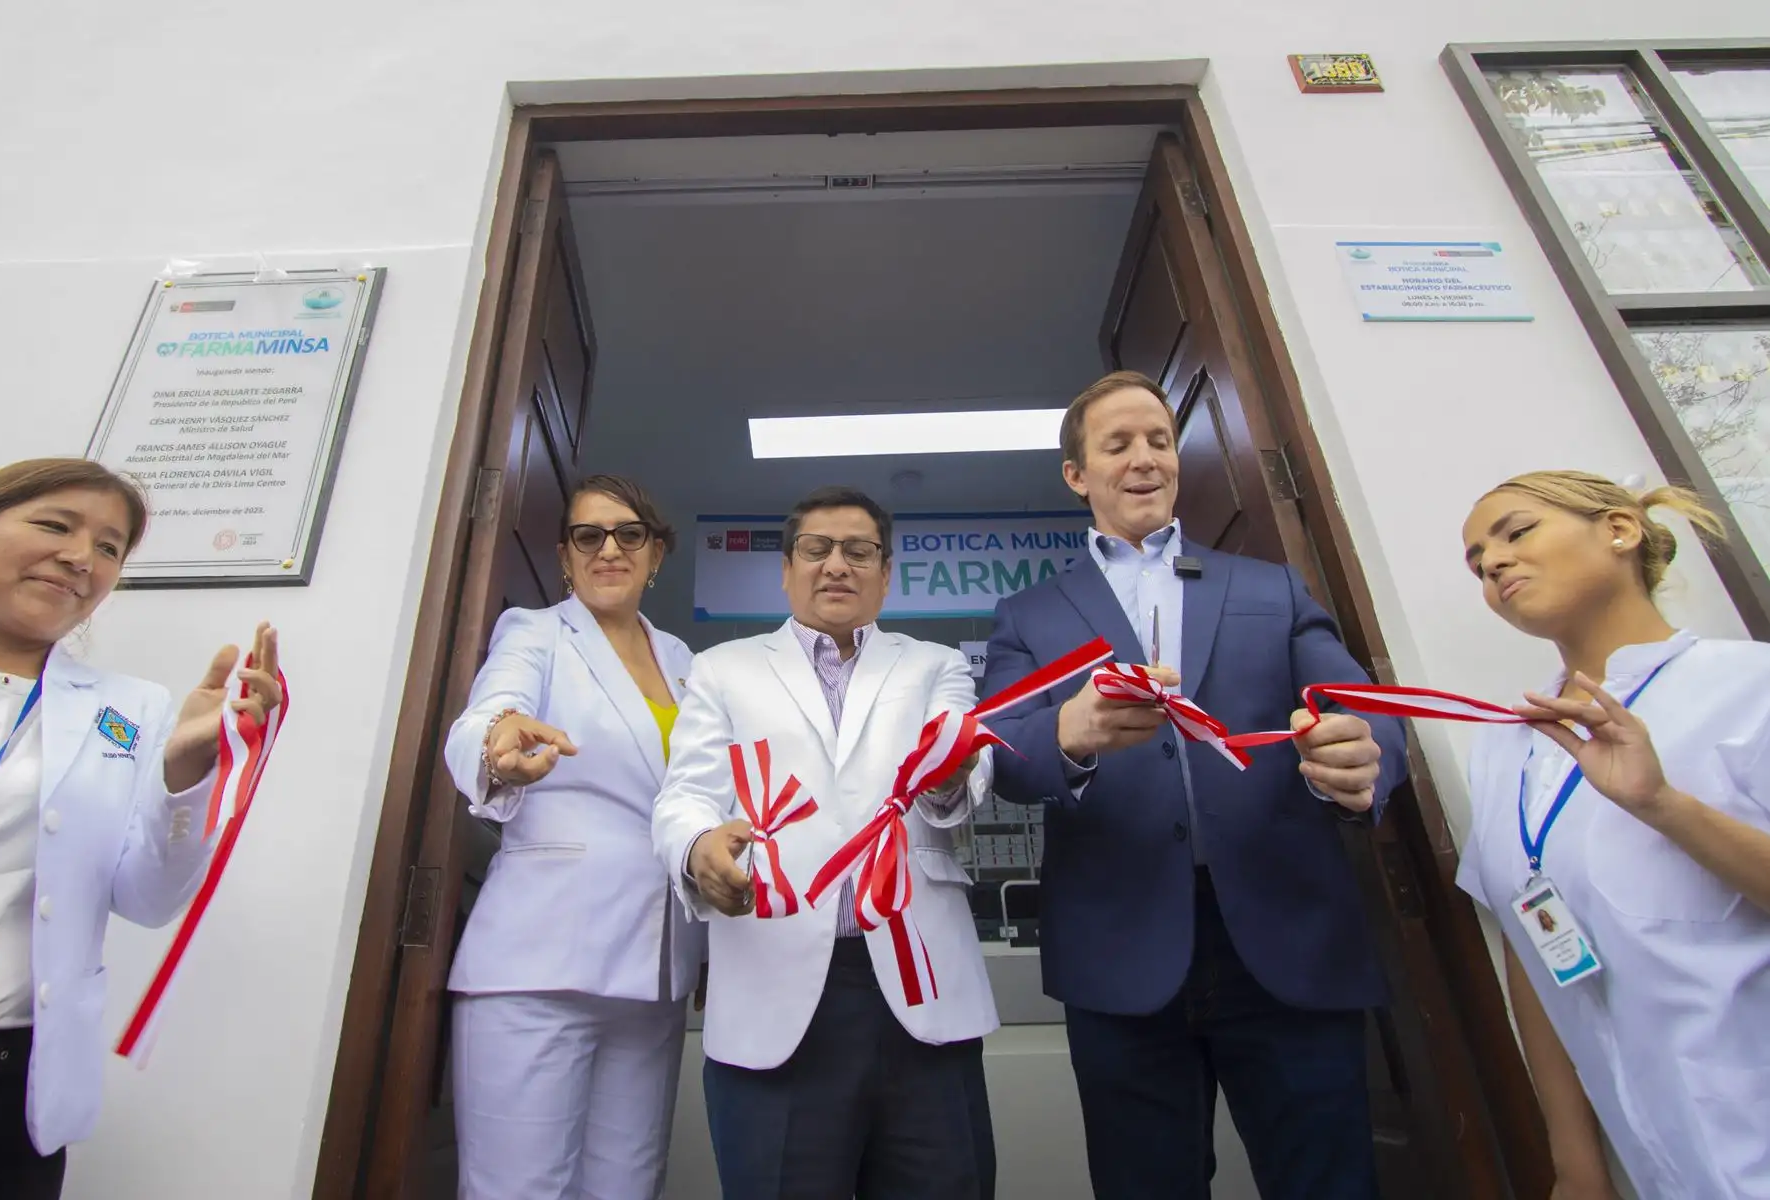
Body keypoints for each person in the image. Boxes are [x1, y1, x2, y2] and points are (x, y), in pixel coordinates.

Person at [979, 371, 1409, 1199]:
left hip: (1285, 941)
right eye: (1119, 444)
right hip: (1119, 954)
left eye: (1160, 441)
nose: (1145, 459)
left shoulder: (1268, 587)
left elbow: (1358, 705)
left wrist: (1365, 754)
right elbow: (1002, 757)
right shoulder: (1028, 616)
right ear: (1077, 475)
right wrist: (1066, 736)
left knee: (1328, 1180)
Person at [652, 486, 997, 1200]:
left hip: (918, 988)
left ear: (886, 572)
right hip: (775, 987)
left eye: (859, 551)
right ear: (786, 569)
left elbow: (961, 771)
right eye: (818, 549)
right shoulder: (724, 669)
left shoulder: (933, 665)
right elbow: (685, 795)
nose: (837, 565)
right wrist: (696, 849)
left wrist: (952, 772)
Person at [0, 457, 282, 1199]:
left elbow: (146, 897)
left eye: (109, 548)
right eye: (54, 525)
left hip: (3, 1091)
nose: (82, 558)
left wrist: (185, 775)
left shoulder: (126, 710)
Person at [1457, 469, 1770, 1199]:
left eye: (1516, 532)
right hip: (1659, 1169)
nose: (1493, 563)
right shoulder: (1507, 748)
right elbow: (1534, 951)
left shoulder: (1749, 686)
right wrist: (1577, 1165)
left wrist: (1663, 805)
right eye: (1476, 563)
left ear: (1621, 530)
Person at [442, 473, 701, 1200]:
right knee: (517, 1189)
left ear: (656, 555)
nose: (608, 549)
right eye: (589, 535)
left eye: (629, 534)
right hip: (537, 963)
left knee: (626, 1186)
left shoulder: (688, 664)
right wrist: (497, 744)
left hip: (655, 970)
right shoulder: (535, 633)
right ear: (565, 556)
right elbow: (488, 715)